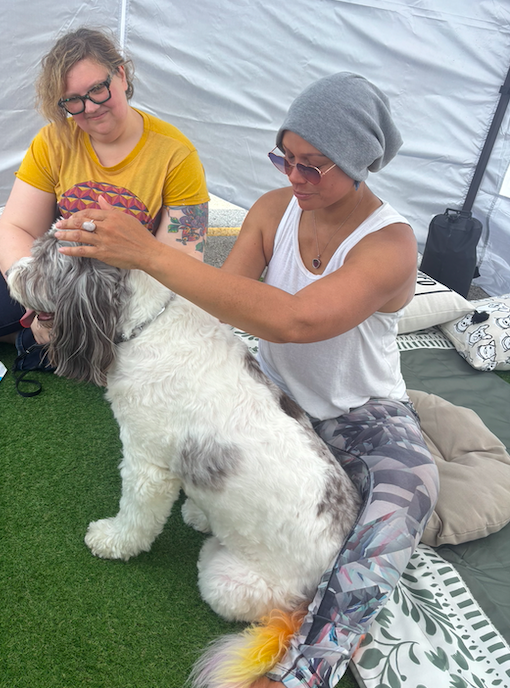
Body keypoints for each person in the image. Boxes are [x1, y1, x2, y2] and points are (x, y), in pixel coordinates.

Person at [53, 72, 440, 687]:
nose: (293, 177)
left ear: (361, 162)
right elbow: (220, 302)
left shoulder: (391, 243)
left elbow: (295, 319)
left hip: (362, 415)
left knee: (414, 490)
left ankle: (308, 666)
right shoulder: (273, 210)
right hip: (271, 398)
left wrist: (151, 253)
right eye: (285, 158)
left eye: (314, 166)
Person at [0, 27, 209, 382]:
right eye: (73, 101)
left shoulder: (177, 155)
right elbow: (17, 228)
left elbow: (182, 268)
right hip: (51, 278)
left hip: (123, 300)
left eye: (97, 90)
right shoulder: (54, 139)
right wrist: (36, 299)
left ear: (121, 74)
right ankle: (34, 337)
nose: (89, 108)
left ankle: (40, 342)